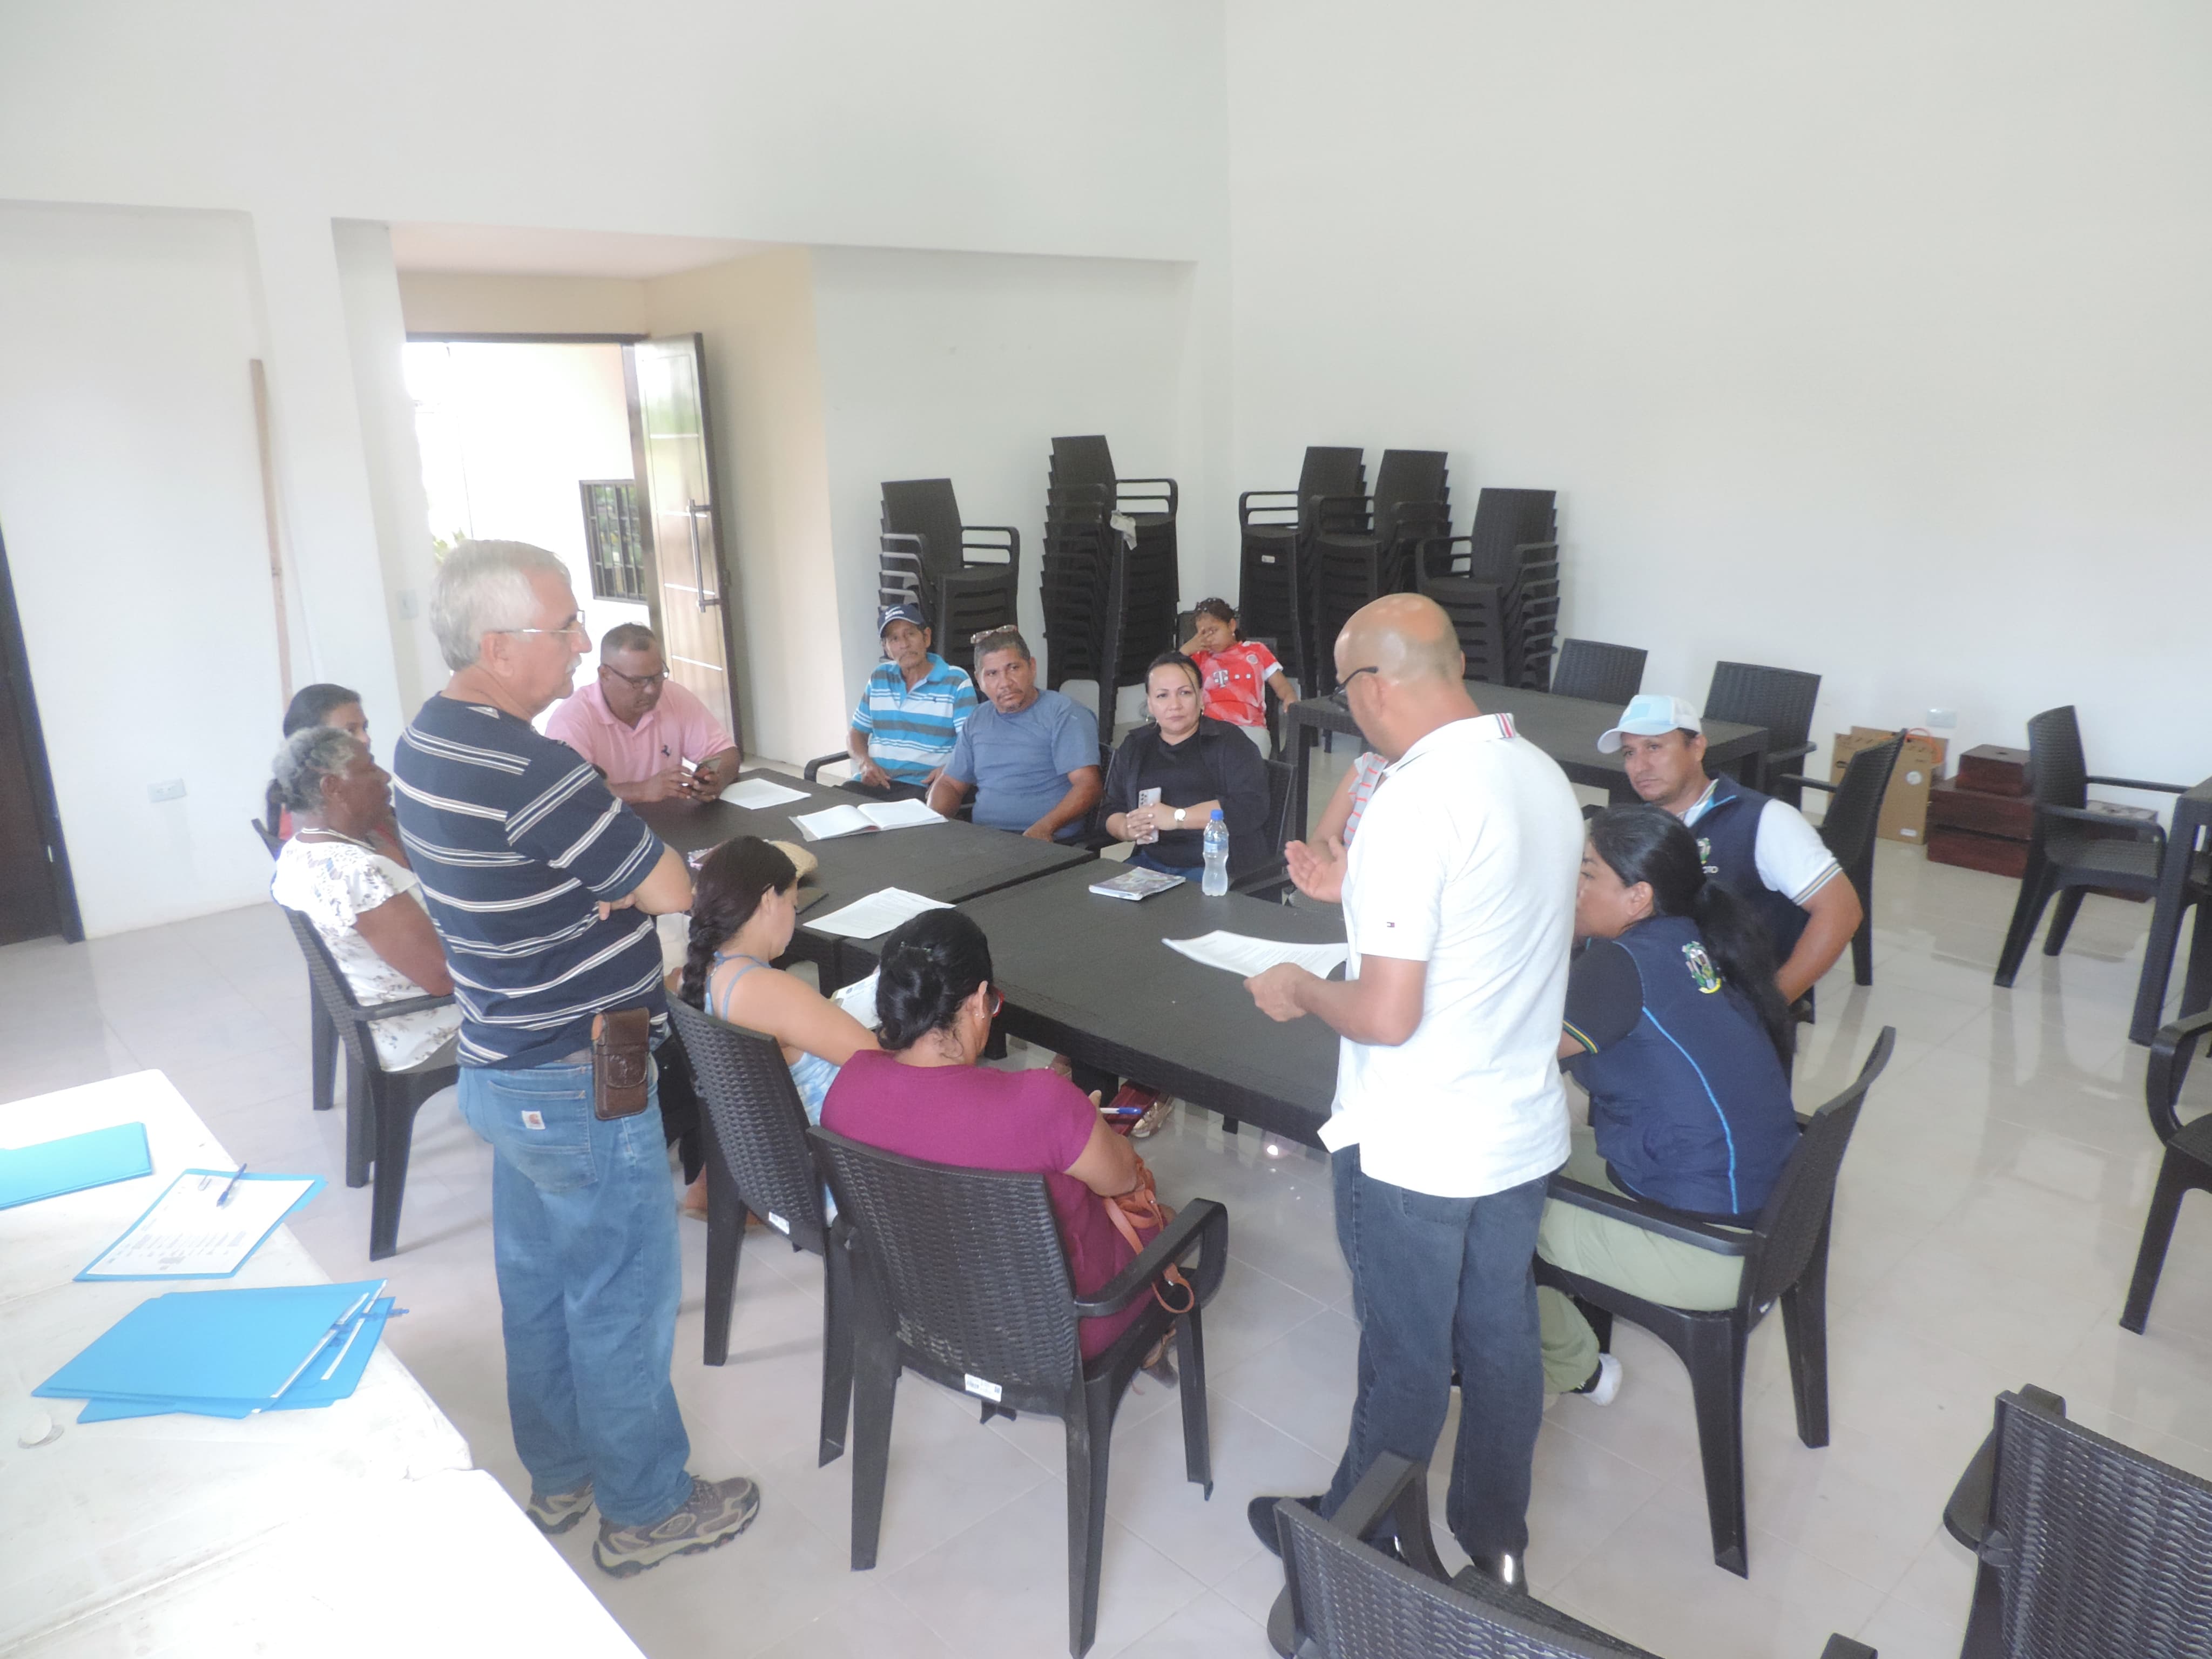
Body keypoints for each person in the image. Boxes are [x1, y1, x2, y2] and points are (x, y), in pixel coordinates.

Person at [391, 539, 759, 1578]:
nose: (578, 643)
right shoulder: (534, 766)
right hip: (584, 1062)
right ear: (497, 644)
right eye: (562, 628)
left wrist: (601, 884)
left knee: (543, 1282)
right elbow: (672, 887)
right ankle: (646, 1506)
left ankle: (562, 1475)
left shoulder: (426, 738)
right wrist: (620, 884)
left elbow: (544, 877)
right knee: (622, 1290)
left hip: (501, 1057)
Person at [1242, 592, 1583, 1587]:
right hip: (1517, 1127)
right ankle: (1494, 1538)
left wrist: (1303, 986)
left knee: (1406, 1356)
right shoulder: (1539, 773)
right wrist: (1352, 888)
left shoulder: (1414, 800)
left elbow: (1387, 1016)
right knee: (1501, 1336)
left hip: (1419, 1144)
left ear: (1373, 687)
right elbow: (1493, 921)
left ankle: (1353, 1547)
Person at [1537, 806, 1800, 1402]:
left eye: (1587, 873)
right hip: (1764, 1214)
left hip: (1707, 1248)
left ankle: (1574, 1368)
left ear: (1638, 898)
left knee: (1490, 1212)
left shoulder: (1619, 964)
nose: (1573, 885)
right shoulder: (1688, 939)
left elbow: (1514, 1053)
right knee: (1540, 1156)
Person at [820, 909, 1161, 1364]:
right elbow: (1124, 1178)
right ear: (979, 1001)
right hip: (1057, 1333)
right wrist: (1085, 1122)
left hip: (919, 1312)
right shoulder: (1042, 1103)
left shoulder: (849, 1086)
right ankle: (1148, 1340)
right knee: (1164, 1220)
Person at [1601, 693, 1863, 1005]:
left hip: (1729, 1005)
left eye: (1654, 747)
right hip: (1657, 995)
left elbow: (1842, 911)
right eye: (1629, 753)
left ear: (1697, 748)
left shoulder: (1764, 820)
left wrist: (1767, 1009)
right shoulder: (1636, 827)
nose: (1640, 766)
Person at [267, 727, 458, 1073]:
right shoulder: (359, 872)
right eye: (369, 768)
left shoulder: (297, 852)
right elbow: (443, 978)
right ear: (333, 787)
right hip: (430, 1034)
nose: (385, 776)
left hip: (386, 1029)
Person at [680, 836, 876, 1123]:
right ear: (769, 899)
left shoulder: (702, 972)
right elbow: (880, 1064)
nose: (794, 918)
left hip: (778, 1137)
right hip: (839, 1138)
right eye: (794, 905)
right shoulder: (768, 990)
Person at [1101, 652, 1272, 878]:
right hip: (1150, 863)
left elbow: (1250, 807)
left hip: (1216, 867)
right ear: (1150, 704)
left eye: (1185, 693)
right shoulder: (1135, 745)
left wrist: (1177, 818)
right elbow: (1111, 808)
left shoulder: (1230, 741)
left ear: (1201, 697)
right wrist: (1126, 828)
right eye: (1162, 696)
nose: (1175, 705)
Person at [926, 626, 1101, 841]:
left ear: (1032, 667)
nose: (1005, 683)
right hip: (986, 840)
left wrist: (1045, 828)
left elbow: (1088, 785)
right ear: (979, 681)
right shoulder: (977, 719)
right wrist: (930, 822)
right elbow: (950, 784)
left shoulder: (1064, 713)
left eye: (1014, 668)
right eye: (992, 674)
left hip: (1047, 841)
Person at [544, 623, 742, 805]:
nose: (651, 690)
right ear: (605, 675)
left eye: (657, 677)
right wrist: (641, 791)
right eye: (637, 682)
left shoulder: (672, 696)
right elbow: (567, 792)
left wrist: (715, 780)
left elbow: (726, 753)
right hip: (604, 825)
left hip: (670, 822)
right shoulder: (572, 719)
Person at [843, 602, 978, 798]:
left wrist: (950, 769)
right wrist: (865, 763)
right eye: (894, 639)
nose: (904, 645)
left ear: (926, 637)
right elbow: (856, 733)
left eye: (910, 634)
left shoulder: (956, 680)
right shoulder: (879, 677)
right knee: (826, 808)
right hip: (874, 783)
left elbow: (972, 744)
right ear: (887, 648)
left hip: (923, 787)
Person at [263, 682, 401, 858]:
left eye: (364, 728)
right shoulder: (308, 817)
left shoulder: (360, 790)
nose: (365, 739)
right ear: (313, 742)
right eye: (350, 731)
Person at [1181, 597, 1297, 751]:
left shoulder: (1257, 651)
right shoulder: (1200, 658)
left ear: (1232, 625)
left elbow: (1282, 686)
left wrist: (1290, 697)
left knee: (1249, 762)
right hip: (1211, 728)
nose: (1209, 638)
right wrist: (1185, 651)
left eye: (1213, 631)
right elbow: (1168, 674)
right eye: (1202, 633)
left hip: (1250, 727)